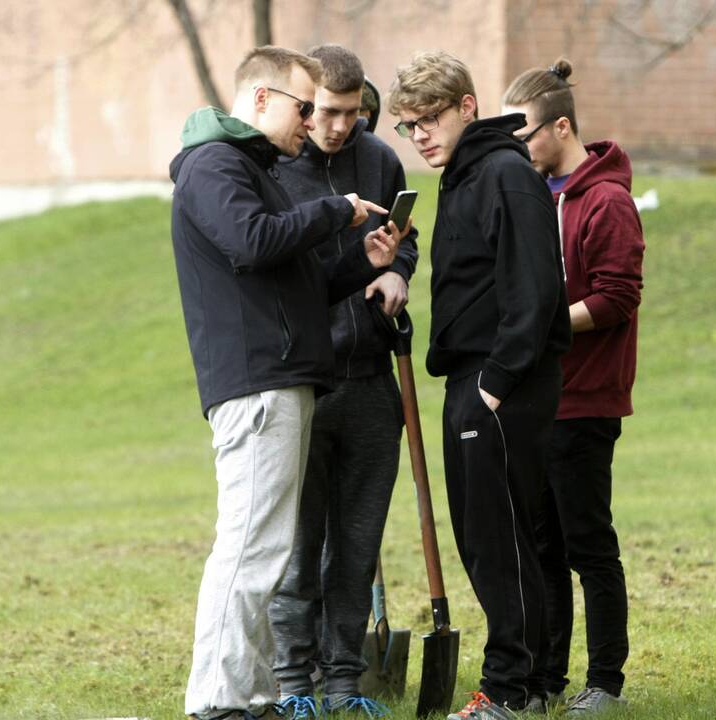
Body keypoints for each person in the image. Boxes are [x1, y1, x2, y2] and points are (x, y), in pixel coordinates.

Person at [168, 45, 408, 720]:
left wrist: (361, 260)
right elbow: (251, 242)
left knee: (265, 548)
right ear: (264, 99)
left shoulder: (253, 169)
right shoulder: (215, 165)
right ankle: (220, 701)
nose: (313, 123)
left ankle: (249, 696)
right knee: (251, 547)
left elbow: (296, 283)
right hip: (256, 385)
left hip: (282, 380)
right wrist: (336, 212)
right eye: (307, 107)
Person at [387, 50, 571, 720]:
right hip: (472, 376)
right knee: (489, 536)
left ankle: (509, 691)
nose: (422, 135)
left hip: (500, 384)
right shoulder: (462, 177)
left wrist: (495, 382)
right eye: (409, 126)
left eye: (430, 118)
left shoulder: (502, 174)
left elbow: (537, 290)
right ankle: (536, 680)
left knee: (499, 538)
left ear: (468, 106)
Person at [267, 44, 419, 719]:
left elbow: (404, 236)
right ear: (305, 105)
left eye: (352, 114)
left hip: (372, 381)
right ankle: (292, 684)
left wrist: (397, 269)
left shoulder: (380, 159)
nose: (337, 128)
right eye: (327, 112)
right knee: (299, 552)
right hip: (304, 381)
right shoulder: (272, 169)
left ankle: (343, 687)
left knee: (356, 548)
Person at [502, 59, 645, 716]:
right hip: (539, 402)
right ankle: (546, 682)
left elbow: (616, 297)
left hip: (586, 401)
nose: (519, 147)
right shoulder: (538, 195)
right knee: (542, 548)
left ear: (562, 125)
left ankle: (606, 683)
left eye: (525, 133)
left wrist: (547, 327)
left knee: (588, 544)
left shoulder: (608, 201)